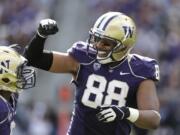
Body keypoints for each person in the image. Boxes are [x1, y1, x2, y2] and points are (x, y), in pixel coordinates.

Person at [24, 12, 161, 135]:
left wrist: (125, 112)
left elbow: (154, 119)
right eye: (96, 39)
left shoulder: (139, 70)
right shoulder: (84, 58)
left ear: (123, 46)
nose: (98, 46)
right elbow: (33, 59)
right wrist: (40, 36)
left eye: (106, 43)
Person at [0, 45, 36, 135]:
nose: (22, 76)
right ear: (4, 75)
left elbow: (28, 56)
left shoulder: (11, 95)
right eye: (18, 71)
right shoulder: (1, 107)